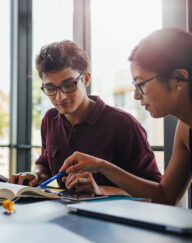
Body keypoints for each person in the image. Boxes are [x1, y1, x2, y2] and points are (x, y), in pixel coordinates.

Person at [8, 40, 161, 195]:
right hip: (62, 215)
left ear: (86, 79)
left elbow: (154, 191)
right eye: (50, 88)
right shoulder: (50, 119)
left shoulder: (124, 125)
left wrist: (100, 190)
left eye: (69, 85)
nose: (60, 97)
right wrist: (36, 175)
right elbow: (45, 164)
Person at [60, 28, 191, 205]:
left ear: (179, 77)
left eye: (141, 84)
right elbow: (166, 196)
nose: (136, 95)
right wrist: (101, 165)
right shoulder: (184, 128)